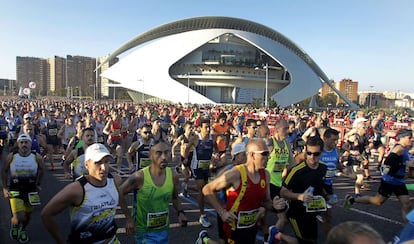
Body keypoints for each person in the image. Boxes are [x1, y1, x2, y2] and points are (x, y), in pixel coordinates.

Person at [202, 138, 294, 244]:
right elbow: (207, 189)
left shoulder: (266, 175)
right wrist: (222, 212)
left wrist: (275, 206)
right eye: (264, 154)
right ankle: (205, 240)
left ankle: (205, 240)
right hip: (232, 226)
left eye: (269, 153)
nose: (268, 157)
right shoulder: (235, 174)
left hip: (250, 227)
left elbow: (265, 201)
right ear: (252, 155)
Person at [41, 143, 130, 244]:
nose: (104, 168)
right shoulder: (76, 190)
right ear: (86, 165)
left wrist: (129, 218)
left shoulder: (115, 180)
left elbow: (120, 196)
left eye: (106, 162)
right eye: (98, 163)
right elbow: (46, 214)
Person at [118, 140, 188, 243]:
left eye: (166, 152)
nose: (164, 157)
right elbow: (119, 193)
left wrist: (180, 212)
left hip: (163, 229)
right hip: (144, 232)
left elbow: (175, 197)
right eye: (159, 153)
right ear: (150, 156)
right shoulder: (139, 177)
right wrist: (128, 218)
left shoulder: (173, 176)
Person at [345, 129, 413, 223]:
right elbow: (388, 162)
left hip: (398, 182)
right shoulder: (399, 149)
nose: (412, 139)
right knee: (377, 201)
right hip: (390, 181)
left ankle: (408, 229)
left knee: (407, 204)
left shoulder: (405, 149)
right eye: (409, 137)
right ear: (402, 138)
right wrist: (401, 166)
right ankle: (352, 200)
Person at [280, 136, 328, 244]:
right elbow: (283, 191)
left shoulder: (323, 168)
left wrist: (328, 197)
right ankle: (279, 235)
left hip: (313, 213)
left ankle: (277, 235)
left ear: (321, 153)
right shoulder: (297, 171)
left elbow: (322, 187)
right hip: (297, 214)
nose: (312, 157)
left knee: (312, 240)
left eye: (316, 154)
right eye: (309, 153)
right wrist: (299, 196)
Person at [2, 134, 44, 243]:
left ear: (31, 144)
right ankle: (15, 224)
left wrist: (38, 183)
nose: (24, 145)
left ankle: (23, 229)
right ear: (18, 144)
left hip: (31, 190)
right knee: (18, 216)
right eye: (21, 142)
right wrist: (5, 188)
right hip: (15, 189)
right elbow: (4, 171)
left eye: (26, 142)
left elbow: (42, 170)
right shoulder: (12, 156)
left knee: (27, 215)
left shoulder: (37, 157)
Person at [191, 118, 219, 228]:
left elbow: (215, 149)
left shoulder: (212, 138)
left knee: (210, 188)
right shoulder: (196, 138)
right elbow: (185, 149)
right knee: (202, 190)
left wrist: (215, 156)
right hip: (196, 166)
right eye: (205, 127)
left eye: (209, 127)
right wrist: (184, 160)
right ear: (200, 128)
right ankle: (202, 215)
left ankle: (187, 188)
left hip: (207, 167)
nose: (208, 129)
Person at [319, 128, 340, 236]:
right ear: (325, 138)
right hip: (317, 186)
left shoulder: (336, 151)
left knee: (328, 214)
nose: (335, 142)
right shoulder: (318, 151)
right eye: (333, 140)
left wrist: (346, 170)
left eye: (337, 140)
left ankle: (327, 237)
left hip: (328, 185)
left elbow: (337, 165)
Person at [171, 121, 198, 196]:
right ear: (185, 129)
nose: (191, 129)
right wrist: (173, 155)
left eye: (192, 128)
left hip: (191, 157)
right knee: (187, 175)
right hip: (183, 157)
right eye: (189, 128)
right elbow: (174, 146)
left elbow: (196, 145)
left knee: (190, 175)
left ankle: (178, 169)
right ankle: (183, 190)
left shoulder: (193, 136)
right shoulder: (182, 137)